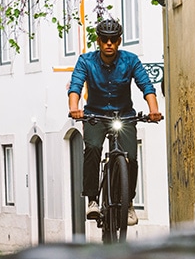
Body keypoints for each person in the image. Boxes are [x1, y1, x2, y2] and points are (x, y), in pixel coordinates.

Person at [67, 19, 163, 226]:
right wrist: (74, 108)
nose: (109, 44)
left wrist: (153, 110)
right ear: (98, 41)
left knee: (131, 158)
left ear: (119, 41)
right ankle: (92, 200)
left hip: (124, 116)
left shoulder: (130, 61)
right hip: (95, 116)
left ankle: (128, 203)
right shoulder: (86, 61)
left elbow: (146, 85)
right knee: (92, 149)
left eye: (113, 40)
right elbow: (76, 85)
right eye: (104, 40)